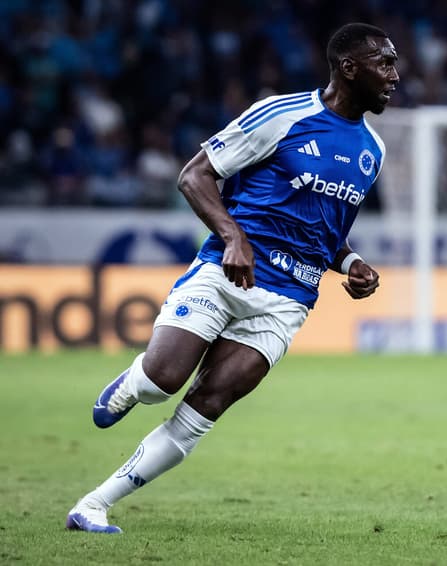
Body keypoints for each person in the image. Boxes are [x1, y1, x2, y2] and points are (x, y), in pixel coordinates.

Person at [65, 22, 399, 533]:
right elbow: (194, 176)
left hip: (287, 301)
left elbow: (326, 233)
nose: (394, 76)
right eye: (385, 63)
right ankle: (136, 381)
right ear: (349, 68)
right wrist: (233, 237)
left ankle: (92, 505)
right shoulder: (282, 115)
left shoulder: (372, 150)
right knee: (161, 383)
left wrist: (352, 263)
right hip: (226, 274)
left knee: (205, 408)